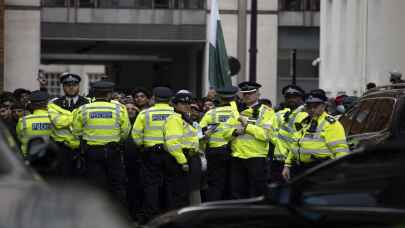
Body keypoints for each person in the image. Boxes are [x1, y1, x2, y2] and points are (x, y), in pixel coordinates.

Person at [72, 80, 130, 205]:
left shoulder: (83, 109)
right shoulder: (119, 109)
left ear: (93, 93)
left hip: (92, 152)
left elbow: (76, 131)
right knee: (117, 185)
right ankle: (119, 217)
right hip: (113, 151)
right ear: (109, 94)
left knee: (95, 187)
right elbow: (125, 131)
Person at [282, 89, 350, 181]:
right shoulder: (304, 122)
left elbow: (340, 149)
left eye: (316, 106)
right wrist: (287, 165)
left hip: (320, 168)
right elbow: (295, 144)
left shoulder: (330, 123)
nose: (312, 109)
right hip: (300, 168)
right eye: (309, 106)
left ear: (323, 106)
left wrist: (341, 170)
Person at [224, 81, 276, 199]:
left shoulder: (267, 112)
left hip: (256, 157)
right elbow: (225, 133)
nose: (247, 96)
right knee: (237, 193)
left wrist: (247, 126)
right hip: (237, 156)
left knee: (258, 193)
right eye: (245, 93)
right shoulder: (236, 111)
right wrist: (235, 132)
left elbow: (265, 135)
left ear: (258, 94)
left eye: (251, 93)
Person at [131, 86, 174, 223]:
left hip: (151, 155)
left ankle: (152, 217)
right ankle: (170, 216)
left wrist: (142, 146)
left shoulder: (145, 114)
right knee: (170, 185)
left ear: (154, 98)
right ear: (170, 99)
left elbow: (135, 135)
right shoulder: (175, 113)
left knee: (151, 186)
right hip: (172, 153)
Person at [199, 85, 239, 201]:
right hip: (234, 152)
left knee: (215, 185)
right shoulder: (239, 114)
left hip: (214, 153)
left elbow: (200, 133)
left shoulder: (211, 113)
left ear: (219, 98)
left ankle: (213, 212)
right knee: (232, 185)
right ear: (234, 98)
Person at [163, 91, 200, 209]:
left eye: (189, 103)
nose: (187, 106)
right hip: (180, 159)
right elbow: (173, 143)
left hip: (189, 157)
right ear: (175, 105)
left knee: (185, 193)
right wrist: (182, 161)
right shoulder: (174, 119)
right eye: (183, 103)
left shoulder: (184, 118)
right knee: (179, 194)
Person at [48, 73, 89, 178]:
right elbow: (57, 123)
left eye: (74, 85)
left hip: (82, 147)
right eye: (68, 85)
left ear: (78, 86)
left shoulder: (87, 103)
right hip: (62, 148)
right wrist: (76, 117)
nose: (71, 87)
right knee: (63, 179)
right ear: (63, 87)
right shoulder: (55, 103)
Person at [271, 84, 306, 183]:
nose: (291, 99)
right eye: (288, 97)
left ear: (301, 98)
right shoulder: (284, 114)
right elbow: (273, 135)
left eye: (295, 97)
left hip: (294, 161)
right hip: (278, 159)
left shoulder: (305, 114)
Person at [16, 90, 51, 156]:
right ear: (47, 103)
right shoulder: (55, 119)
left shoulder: (23, 120)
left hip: (28, 158)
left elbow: (19, 138)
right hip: (50, 158)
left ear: (31, 104)